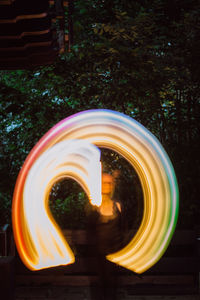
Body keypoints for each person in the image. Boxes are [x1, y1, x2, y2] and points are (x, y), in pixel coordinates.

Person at [85, 172, 123, 300]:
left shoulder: (117, 206)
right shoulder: (93, 207)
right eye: (103, 183)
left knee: (112, 286)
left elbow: (123, 229)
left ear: (112, 186)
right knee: (100, 286)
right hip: (98, 255)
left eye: (109, 183)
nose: (106, 185)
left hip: (114, 255)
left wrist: (122, 251)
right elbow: (89, 230)